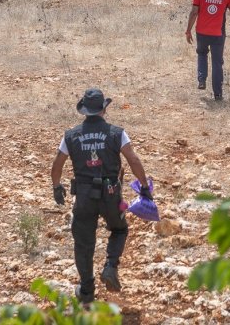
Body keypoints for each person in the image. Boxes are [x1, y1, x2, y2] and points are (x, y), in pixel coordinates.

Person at [51, 89, 152, 303]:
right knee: (119, 229)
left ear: (85, 111)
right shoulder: (116, 133)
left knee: (84, 243)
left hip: (84, 197)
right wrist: (144, 186)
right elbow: (133, 160)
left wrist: (56, 187)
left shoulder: (71, 135)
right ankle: (110, 266)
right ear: (104, 109)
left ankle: (87, 292)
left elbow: (57, 163)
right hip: (111, 194)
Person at [186, 0, 230, 100]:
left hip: (201, 31)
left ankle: (202, 79)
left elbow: (193, 12)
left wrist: (188, 30)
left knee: (202, 53)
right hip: (218, 33)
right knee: (217, 62)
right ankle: (218, 93)